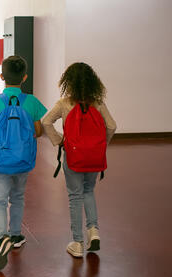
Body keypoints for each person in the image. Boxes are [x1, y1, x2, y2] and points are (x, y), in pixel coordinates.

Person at [42, 62, 117, 257]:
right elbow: (112, 126)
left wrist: (59, 141)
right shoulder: (98, 103)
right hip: (93, 158)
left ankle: (77, 242)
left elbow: (46, 122)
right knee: (88, 191)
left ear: (69, 83)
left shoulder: (64, 104)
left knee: (75, 196)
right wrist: (100, 146)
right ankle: (94, 230)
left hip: (73, 157)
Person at [0, 56, 47, 270]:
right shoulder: (32, 101)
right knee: (17, 196)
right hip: (23, 160)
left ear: (2, 76)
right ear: (24, 77)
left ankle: (3, 239)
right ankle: (16, 234)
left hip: (0, 160)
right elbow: (38, 131)